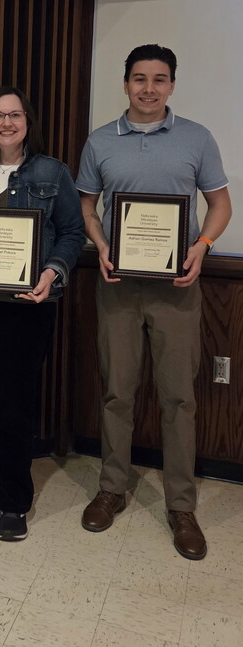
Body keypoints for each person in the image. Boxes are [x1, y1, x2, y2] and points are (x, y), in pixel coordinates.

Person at [76, 44, 231, 560]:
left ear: (171, 85)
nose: (148, 89)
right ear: (125, 84)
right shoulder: (101, 141)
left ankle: (181, 505)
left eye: (159, 80)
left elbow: (220, 203)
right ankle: (112, 490)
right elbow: (87, 205)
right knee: (117, 392)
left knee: (179, 399)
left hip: (178, 288)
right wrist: (100, 246)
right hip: (118, 285)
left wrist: (201, 248)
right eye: (139, 79)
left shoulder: (196, 138)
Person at [0, 87, 84, 541]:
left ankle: (15, 500)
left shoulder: (52, 171)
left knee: (14, 402)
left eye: (14, 115)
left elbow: (72, 232)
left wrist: (52, 271)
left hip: (28, 308)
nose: (6, 123)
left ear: (28, 121)